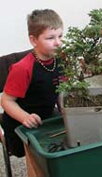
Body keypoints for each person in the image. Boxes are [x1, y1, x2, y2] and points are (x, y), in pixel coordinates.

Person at [1, 9, 63, 157]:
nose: (58, 42)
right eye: (50, 38)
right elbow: (6, 101)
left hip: (47, 116)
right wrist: (25, 117)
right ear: (34, 40)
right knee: (40, 158)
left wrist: (64, 107)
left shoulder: (60, 59)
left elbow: (61, 89)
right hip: (21, 123)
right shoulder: (23, 68)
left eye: (60, 36)